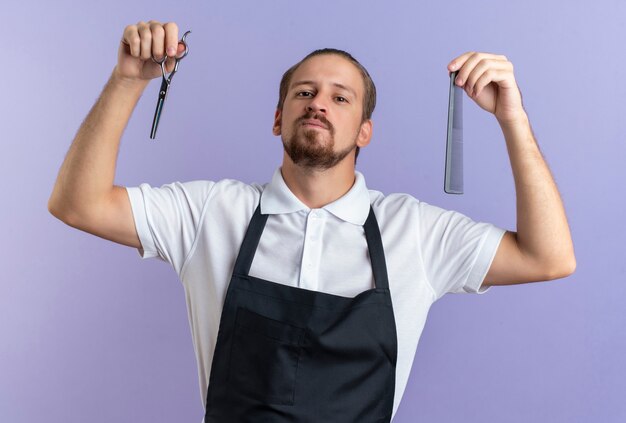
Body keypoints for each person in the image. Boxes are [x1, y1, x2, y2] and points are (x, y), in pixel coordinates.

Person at [48, 20, 576, 423]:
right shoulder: (211, 213)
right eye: (304, 92)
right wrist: (126, 81)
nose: (319, 104)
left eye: (339, 97)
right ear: (278, 117)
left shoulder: (414, 232)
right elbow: (79, 204)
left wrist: (513, 117)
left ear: (364, 131)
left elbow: (548, 257)